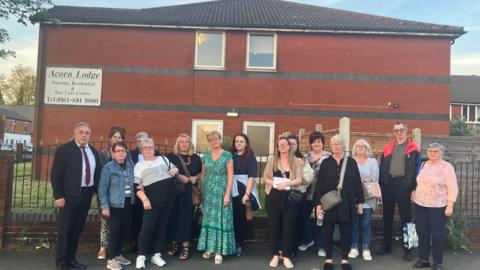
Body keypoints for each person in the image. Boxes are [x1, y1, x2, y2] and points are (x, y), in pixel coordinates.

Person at [51, 122, 101, 270]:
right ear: (75, 134)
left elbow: (96, 174)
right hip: (68, 195)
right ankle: (61, 262)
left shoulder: (93, 151)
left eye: (87, 133)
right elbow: (56, 174)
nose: (84, 135)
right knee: (66, 229)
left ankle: (71, 259)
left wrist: (97, 193)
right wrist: (58, 195)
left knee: (77, 229)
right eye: (81, 132)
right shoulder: (64, 150)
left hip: (86, 195)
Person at [313, 134, 364, 270]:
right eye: (334, 144)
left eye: (339, 144)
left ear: (343, 146)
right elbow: (319, 185)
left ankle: (344, 260)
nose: (336, 146)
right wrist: (318, 204)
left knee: (346, 231)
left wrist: (360, 202)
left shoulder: (351, 163)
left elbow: (357, 183)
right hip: (328, 202)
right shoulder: (325, 163)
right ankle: (328, 259)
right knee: (327, 230)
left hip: (346, 202)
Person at [376, 122, 420, 261]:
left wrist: (414, 188)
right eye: (396, 130)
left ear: (406, 131)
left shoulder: (414, 148)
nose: (399, 132)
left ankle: (409, 249)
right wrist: (382, 184)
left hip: (404, 185)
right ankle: (386, 246)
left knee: (407, 218)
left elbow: (417, 169)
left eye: (401, 129)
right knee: (387, 216)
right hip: (388, 185)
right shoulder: (388, 147)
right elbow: (382, 166)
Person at [133, 138, 179, 269]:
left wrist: (175, 170)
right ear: (141, 150)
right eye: (145, 147)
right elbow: (136, 186)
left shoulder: (162, 159)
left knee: (161, 228)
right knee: (147, 228)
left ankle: (156, 255)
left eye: (150, 146)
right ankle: (141, 256)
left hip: (168, 200)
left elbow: (175, 168)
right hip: (151, 202)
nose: (148, 149)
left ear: (154, 148)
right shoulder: (139, 165)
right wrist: (144, 199)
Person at [412, 143, 458, 270]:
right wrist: (415, 191)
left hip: (437, 205)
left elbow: (453, 187)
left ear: (441, 153)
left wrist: (450, 205)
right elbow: (419, 181)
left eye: (435, 151)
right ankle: (423, 259)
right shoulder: (423, 164)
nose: (432, 153)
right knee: (422, 232)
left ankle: (437, 263)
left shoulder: (447, 167)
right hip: (420, 203)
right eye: (430, 151)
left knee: (437, 234)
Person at [263, 137, 303, 269]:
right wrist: (275, 184)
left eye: (285, 144)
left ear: (289, 146)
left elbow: (299, 179)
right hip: (273, 197)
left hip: (289, 198)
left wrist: (286, 183)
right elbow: (265, 178)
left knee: (288, 227)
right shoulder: (272, 160)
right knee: (274, 227)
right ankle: (275, 254)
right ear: (277, 147)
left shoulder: (296, 161)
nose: (283, 146)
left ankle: (286, 256)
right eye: (280, 145)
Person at [197, 131, 236, 264]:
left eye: (216, 139)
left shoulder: (227, 155)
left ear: (220, 139)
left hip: (222, 190)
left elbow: (231, 176)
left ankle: (219, 250)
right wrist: (201, 192)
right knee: (209, 219)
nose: (214, 141)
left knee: (221, 219)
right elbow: (203, 174)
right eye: (211, 140)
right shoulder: (206, 155)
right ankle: (210, 248)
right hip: (208, 191)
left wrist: (227, 194)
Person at [98, 141, 134, 270]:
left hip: (128, 203)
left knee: (123, 231)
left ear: (126, 152)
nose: (120, 153)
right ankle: (111, 259)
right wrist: (105, 206)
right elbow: (102, 189)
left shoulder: (130, 165)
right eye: (118, 151)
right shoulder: (108, 167)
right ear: (113, 153)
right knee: (114, 232)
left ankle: (118, 254)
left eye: (123, 151)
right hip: (114, 205)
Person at [165, 133, 202, 260]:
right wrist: (179, 176)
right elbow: (166, 171)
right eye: (181, 142)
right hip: (174, 191)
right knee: (173, 217)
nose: (184, 144)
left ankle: (186, 248)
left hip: (189, 192)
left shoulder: (196, 157)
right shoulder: (171, 156)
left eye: (186, 142)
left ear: (190, 143)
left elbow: (202, 173)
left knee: (186, 219)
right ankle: (174, 244)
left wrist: (195, 177)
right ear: (178, 144)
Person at [97, 127, 127, 260]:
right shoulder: (102, 155)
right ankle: (104, 247)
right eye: (115, 137)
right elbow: (99, 176)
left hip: (119, 195)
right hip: (106, 193)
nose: (117, 139)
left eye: (119, 138)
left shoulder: (126, 154)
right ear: (110, 139)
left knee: (117, 226)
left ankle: (115, 251)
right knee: (105, 222)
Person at [348, 139, 379, 261]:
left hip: (368, 197)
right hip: (353, 197)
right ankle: (354, 247)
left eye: (363, 146)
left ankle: (366, 248)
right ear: (354, 148)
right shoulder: (350, 161)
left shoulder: (373, 162)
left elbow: (374, 178)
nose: (360, 148)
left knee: (365, 222)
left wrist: (357, 182)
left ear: (367, 149)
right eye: (358, 146)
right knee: (354, 223)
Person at [230, 133, 259, 256]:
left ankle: (239, 244)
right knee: (231, 217)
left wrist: (247, 194)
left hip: (244, 188)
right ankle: (230, 242)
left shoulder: (250, 157)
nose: (239, 144)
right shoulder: (229, 156)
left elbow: (252, 177)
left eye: (241, 141)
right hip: (231, 188)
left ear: (246, 143)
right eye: (237, 141)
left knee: (240, 218)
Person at [302, 132, 330, 257]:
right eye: (314, 141)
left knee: (321, 219)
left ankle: (321, 246)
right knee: (303, 218)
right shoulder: (305, 156)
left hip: (322, 193)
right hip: (307, 191)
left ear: (323, 143)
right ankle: (307, 240)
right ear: (310, 143)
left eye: (319, 141)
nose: (316, 143)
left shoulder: (329, 157)